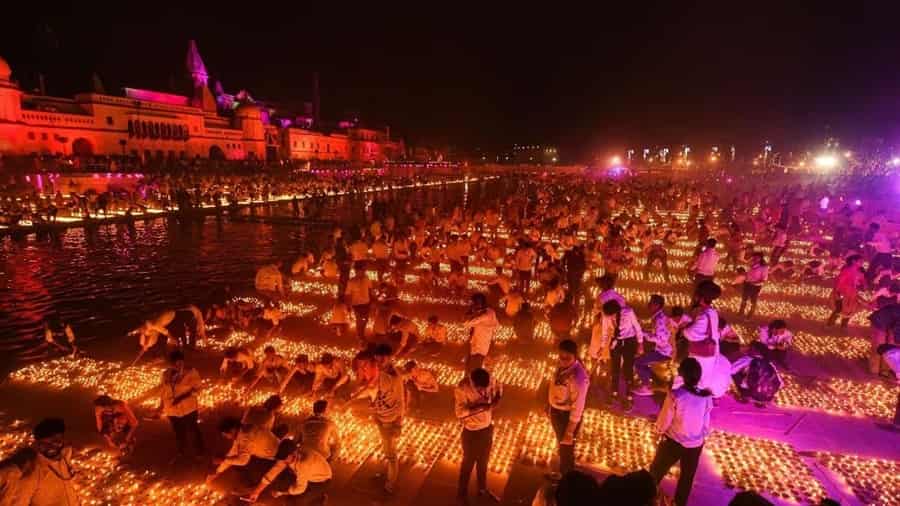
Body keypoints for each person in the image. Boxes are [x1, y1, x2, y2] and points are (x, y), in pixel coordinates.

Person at [648, 357, 713, 506]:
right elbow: (705, 423)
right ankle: (679, 503)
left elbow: (665, 419)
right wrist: (699, 438)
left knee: (656, 471)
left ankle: (648, 498)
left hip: (674, 441)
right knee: (687, 478)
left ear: (682, 374)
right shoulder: (706, 397)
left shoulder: (676, 395)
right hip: (696, 444)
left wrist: (658, 431)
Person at [349, 347, 405, 494]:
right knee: (387, 449)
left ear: (390, 358)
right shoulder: (381, 374)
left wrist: (399, 422)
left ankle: (390, 485)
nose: (379, 362)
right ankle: (387, 474)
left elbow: (400, 399)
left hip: (389, 419)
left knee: (391, 454)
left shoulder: (391, 377)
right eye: (377, 359)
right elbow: (372, 390)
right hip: (380, 416)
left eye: (383, 359)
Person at [0, 418, 79, 505]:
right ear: (38, 444)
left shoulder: (64, 459)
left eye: (56, 441)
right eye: (45, 444)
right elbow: (20, 500)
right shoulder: (34, 470)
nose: (51, 447)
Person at [455, 367, 502, 505]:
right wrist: (481, 407)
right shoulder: (462, 388)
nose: (483, 392)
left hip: (487, 428)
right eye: (480, 389)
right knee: (468, 463)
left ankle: (482, 489)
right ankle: (461, 494)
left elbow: (499, 388)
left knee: (484, 462)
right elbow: (459, 413)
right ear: (473, 383)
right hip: (471, 432)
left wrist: (496, 401)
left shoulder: (490, 379)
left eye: (485, 388)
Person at [547, 339, 589, 477]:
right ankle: (563, 473)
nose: (563, 360)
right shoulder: (561, 366)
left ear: (575, 356)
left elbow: (578, 406)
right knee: (562, 444)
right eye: (561, 356)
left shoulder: (579, 378)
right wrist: (549, 405)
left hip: (566, 417)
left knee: (566, 448)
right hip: (557, 413)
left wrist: (569, 432)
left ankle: (567, 478)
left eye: (567, 357)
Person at [245, 439, 332, 504]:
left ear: (293, 453)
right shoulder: (288, 454)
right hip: (305, 473)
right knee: (281, 481)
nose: (284, 461)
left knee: (295, 501)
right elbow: (274, 471)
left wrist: (282, 493)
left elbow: (300, 488)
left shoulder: (303, 464)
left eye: (285, 458)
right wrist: (256, 492)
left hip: (321, 481)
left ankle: (319, 499)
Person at [156, 350, 205, 460]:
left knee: (193, 429)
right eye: (175, 364)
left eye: (180, 363)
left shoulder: (191, 372)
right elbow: (163, 392)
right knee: (178, 431)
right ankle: (182, 450)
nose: (178, 366)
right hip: (171, 410)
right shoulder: (165, 374)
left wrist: (182, 398)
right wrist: (160, 407)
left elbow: (198, 389)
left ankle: (199, 450)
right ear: (170, 364)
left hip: (189, 408)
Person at [206, 416, 279, 485]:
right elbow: (233, 451)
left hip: (274, 457)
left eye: (225, 435)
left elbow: (242, 461)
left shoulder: (245, 439)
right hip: (277, 444)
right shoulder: (246, 427)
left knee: (239, 467)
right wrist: (218, 471)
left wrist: (223, 459)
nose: (226, 437)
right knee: (233, 459)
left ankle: (249, 486)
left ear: (232, 430)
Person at [599, 300, 643, 409]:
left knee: (628, 367)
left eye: (613, 315)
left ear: (617, 311)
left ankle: (629, 393)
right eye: (609, 316)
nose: (611, 318)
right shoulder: (606, 316)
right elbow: (605, 332)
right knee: (615, 367)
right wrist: (602, 346)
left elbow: (637, 327)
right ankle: (614, 391)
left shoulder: (628, 312)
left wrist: (640, 343)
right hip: (616, 342)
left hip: (629, 341)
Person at [633, 295, 674, 396]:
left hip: (663, 352)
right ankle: (658, 382)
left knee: (638, 362)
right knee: (642, 359)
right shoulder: (660, 316)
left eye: (651, 303)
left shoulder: (659, 320)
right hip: (662, 349)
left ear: (657, 305)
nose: (649, 305)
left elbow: (661, 339)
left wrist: (643, 334)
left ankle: (646, 387)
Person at [731, 342, 784, 407]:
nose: (746, 348)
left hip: (751, 391)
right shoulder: (770, 363)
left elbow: (731, 370)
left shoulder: (747, 359)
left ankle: (745, 396)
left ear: (752, 350)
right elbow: (781, 384)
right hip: (768, 396)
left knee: (736, 374)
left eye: (748, 347)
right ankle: (761, 400)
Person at [826, 254, 865, 330]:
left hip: (852, 293)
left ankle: (844, 325)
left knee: (850, 309)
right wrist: (837, 292)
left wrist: (861, 285)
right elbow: (839, 281)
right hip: (843, 292)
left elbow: (861, 281)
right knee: (839, 308)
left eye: (862, 261)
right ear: (854, 261)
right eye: (860, 261)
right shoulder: (847, 270)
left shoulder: (858, 271)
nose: (862, 263)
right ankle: (830, 324)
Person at [464, 293, 499, 373]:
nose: (473, 305)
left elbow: (466, 323)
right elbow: (497, 325)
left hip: (480, 343)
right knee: (473, 361)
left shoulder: (484, 315)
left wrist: (474, 315)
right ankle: (471, 376)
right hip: (480, 340)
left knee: (476, 363)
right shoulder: (491, 311)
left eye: (474, 303)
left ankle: (474, 379)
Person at [868, 299, 900, 375]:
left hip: (891, 323)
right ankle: (874, 370)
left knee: (890, 348)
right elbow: (898, 330)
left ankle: (885, 370)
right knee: (879, 345)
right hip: (879, 322)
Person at [345, 264, 373, 339]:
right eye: (361, 270)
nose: (363, 272)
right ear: (356, 271)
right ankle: (360, 334)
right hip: (357, 304)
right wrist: (348, 305)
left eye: (363, 270)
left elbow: (370, 289)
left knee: (365, 319)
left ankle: (361, 332)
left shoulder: (366, 279)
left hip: (366, 302)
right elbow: (348, 294)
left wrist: (373, 299)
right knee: (359, 319)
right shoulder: (351, 281)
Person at [738, 252, 768, 318]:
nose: (755, 259)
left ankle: (750, 313)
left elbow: (764, 279)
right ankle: (741, 311)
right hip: (747, 284)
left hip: (755, 287)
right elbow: (748, 273)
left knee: (753, 301)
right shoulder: (750, 263)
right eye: (754, 257)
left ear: (761, 258)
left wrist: (755, 283)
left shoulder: (764, 267)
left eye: (757, 257)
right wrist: (744, 274)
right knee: (744, 298)